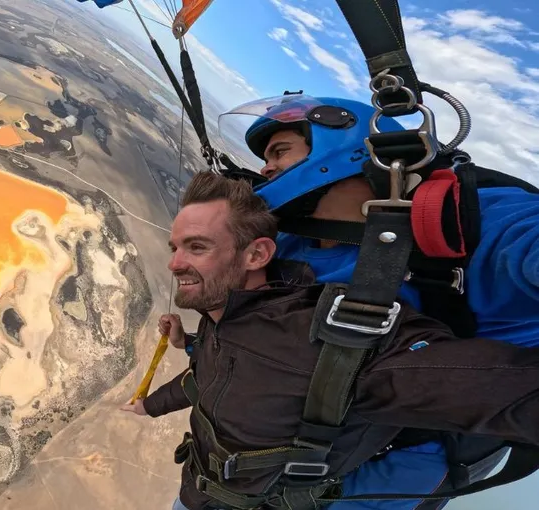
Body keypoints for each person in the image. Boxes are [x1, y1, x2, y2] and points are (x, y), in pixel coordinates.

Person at [120, 171, 539, 510]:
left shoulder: (333, 341)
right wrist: (157, 393)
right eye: (175, 247)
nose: (175, 263)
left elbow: (496, 394)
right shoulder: (226, 313)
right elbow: (214, 376)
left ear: (256, 255)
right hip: (198, 496)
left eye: (196, 247)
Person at [222, 92, 539, 509]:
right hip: (275, 447)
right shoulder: (290, 242)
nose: (267, 168)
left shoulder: (466, 222)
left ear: (343, 148)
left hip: (398, 463)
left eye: (280, 151)